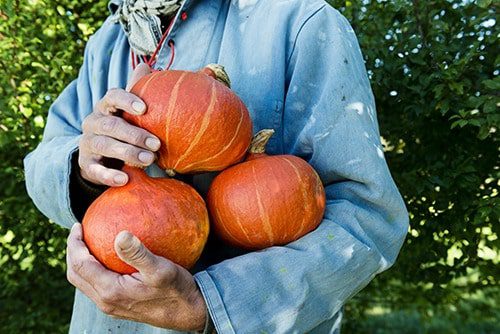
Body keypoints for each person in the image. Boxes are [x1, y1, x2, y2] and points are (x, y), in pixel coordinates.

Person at [24, 0, 409, 333]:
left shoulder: (301, 20)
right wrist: (82, 167)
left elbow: (367, 219)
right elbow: (42, 160)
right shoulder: (109, 40)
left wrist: (212, 304)